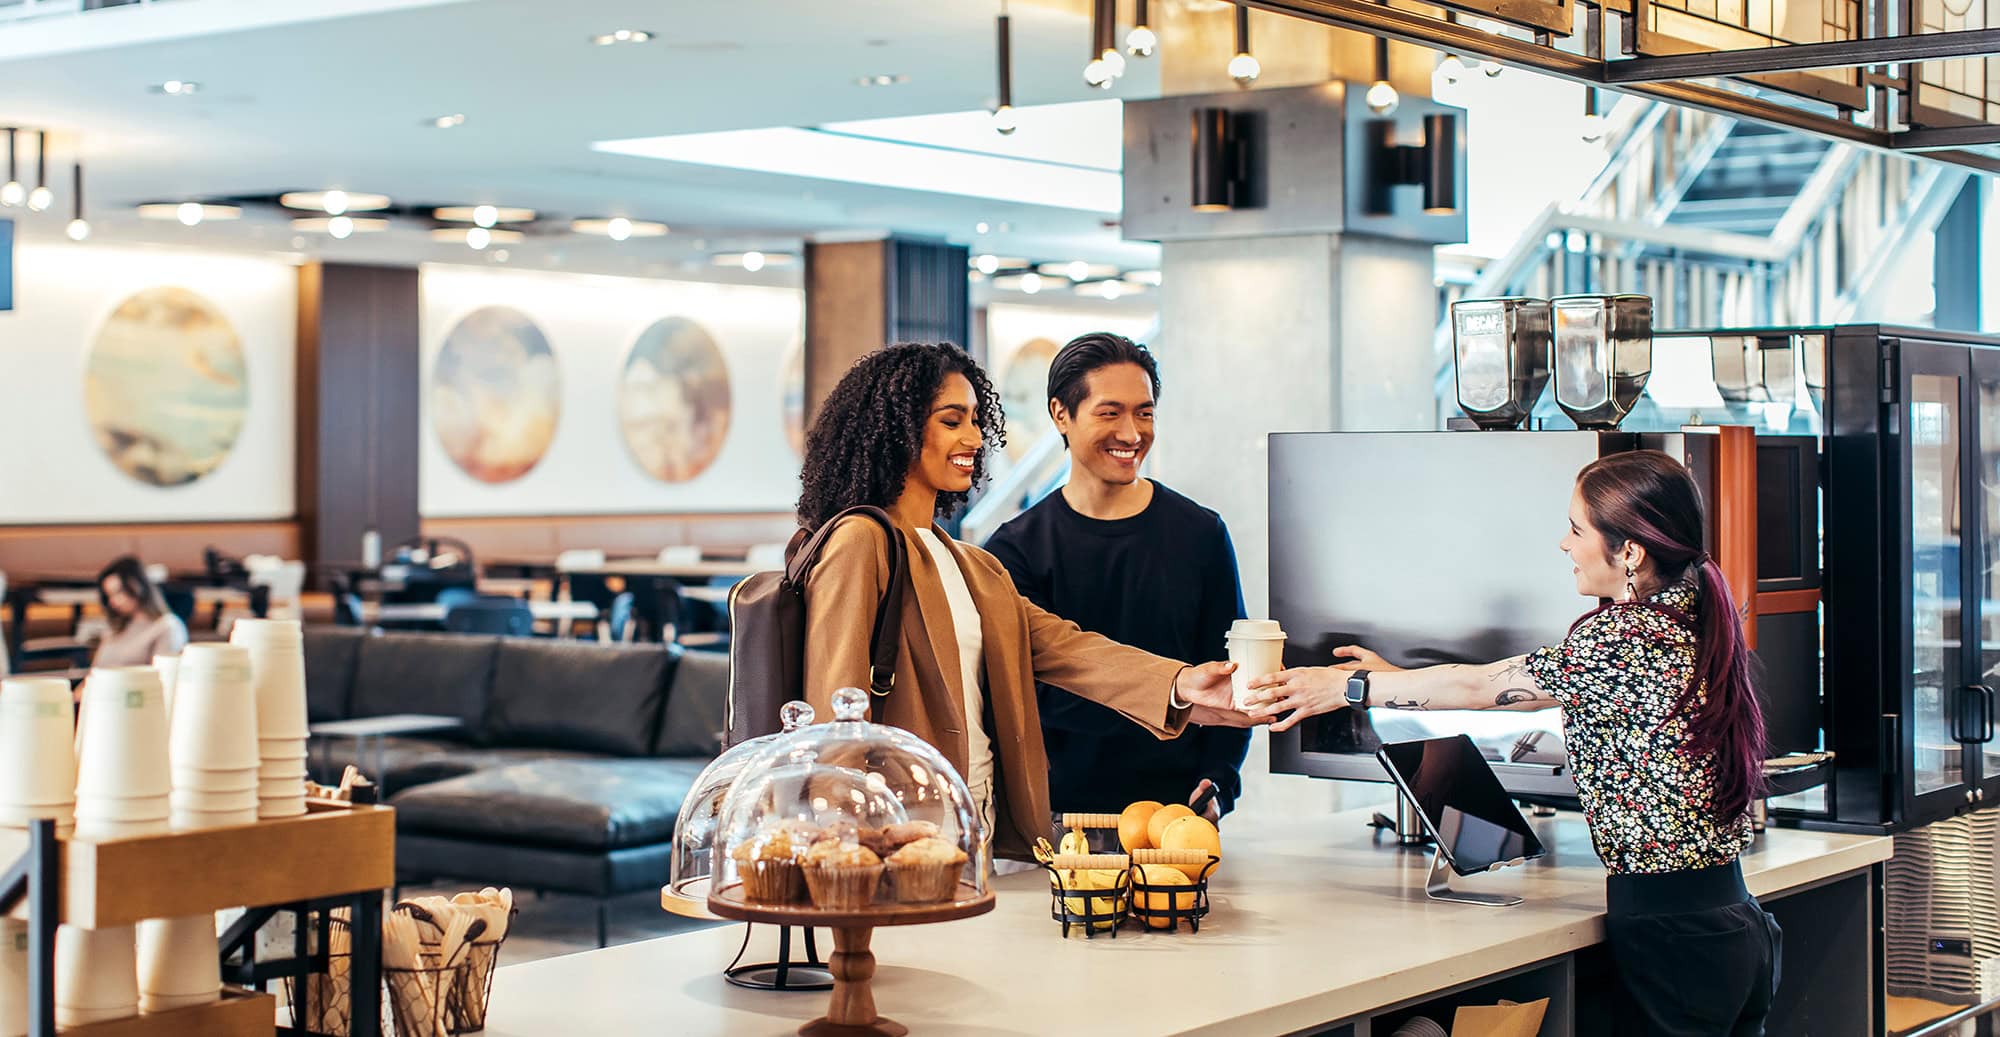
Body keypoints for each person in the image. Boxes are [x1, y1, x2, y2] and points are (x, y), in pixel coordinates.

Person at [1243, 451, 1778, 1037]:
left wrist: (1350, 687)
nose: (1563, 545)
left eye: (1576, 530)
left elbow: (1483, 686)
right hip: (1729, 920)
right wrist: (1395, 682)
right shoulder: (1691, 614)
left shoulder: (1622, 639)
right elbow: (1508, 697)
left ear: (1629, 551)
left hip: (1671, 933)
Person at [798, 342, 1256, 861]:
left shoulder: (963, 560)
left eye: (975, 420)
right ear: (898, 428)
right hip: (902, 838)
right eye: (952, 421)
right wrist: (839, 853)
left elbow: (1065, 647)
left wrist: (1180, 684)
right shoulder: (861, 541)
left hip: (974, 829)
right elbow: (831, 714)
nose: (974, 438)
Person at [986, 333, 1249, 822]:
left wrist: (1220, 776)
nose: (1131, 434)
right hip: (1059, 821)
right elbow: (1026, 691)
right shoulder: (1014, 549)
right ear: (1061, 414)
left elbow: (1228, 668)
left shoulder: (1200, 532)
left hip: (1176, 820)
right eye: (1110, 413)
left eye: (1144, 413)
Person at [92, 556, 188, 667]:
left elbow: (164, 677)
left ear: (136, 586)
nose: (113, 602)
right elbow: (94, 672)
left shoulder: (167, 627)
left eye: (118, 592)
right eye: (109, 596)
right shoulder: (117, 628)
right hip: (98, 683)